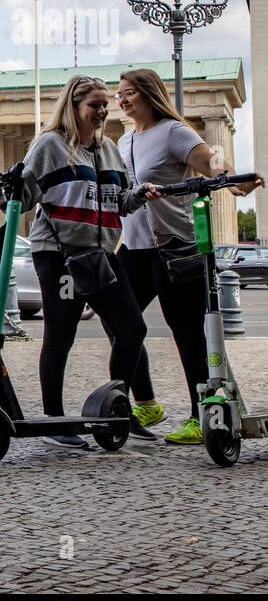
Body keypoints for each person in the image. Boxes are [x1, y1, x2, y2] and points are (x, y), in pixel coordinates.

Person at [114, 68, 263, 445]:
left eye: (130, 92)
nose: (123, 100)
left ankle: (202, 417)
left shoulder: (173, 131)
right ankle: (146, 402)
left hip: (175, 247)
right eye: (120, 94)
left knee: (188, 333)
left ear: (149, 94)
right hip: (134, 247)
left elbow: (210, 162)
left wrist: (235, 180)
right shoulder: (125, 140)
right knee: (119, 321)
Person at [5, 75, 155, 447]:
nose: (103, 111)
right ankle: (55, 421)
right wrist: (8, 187)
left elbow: (119, 202)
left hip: (102, 253)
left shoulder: (108, 150)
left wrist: (139, 195)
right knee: (61, 332)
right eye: (95, 105)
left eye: (106, 104)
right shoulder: (49, 145)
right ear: (73, 108)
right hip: (59, 255)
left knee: (132, 328)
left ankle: (116, 410)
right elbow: (21, 201)